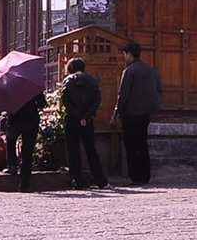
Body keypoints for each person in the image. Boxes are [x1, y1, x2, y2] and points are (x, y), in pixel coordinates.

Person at [116, 41, 162, 185]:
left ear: (129, 54)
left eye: (125, 54)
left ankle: (135, 177)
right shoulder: (150, 70)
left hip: (130, 114)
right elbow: (159, 90)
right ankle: (145, 175)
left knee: (131, 147)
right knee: (142, 144)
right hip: (145, 113)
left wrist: (117, 112)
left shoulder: (129, 71)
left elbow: (123, 95)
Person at [59, 58, 108, 190]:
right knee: (91, 150)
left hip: (71, 119)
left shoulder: (67, 82)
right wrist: (86, 116)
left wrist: (77, 115)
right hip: (87, 120)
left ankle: (77, 181)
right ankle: (101, 180)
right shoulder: (92, 81)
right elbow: (97, 100)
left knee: (73, 151)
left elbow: (65, 101)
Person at [3, 90, 47, 193]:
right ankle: (24, 184)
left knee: (10, 140)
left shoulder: (11, 86)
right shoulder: (32, 86)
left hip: (14, 119)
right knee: (27, 151)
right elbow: (42, 103)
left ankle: (12, 165)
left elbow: (5, 104)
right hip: (31, 120)